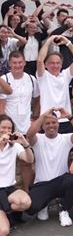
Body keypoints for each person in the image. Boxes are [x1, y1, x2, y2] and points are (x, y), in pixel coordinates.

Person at [26, 108, 73, 226]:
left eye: (54, 122)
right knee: (31, 208)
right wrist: (42, 116)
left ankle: (64, 210)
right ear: (42, 126)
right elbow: (29, 134)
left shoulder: (65, 139)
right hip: (42, 184)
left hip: (61, 182)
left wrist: (69, 116)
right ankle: (44, 205)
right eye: (47, 123)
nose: (51, 125)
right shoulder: (38, 139)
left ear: (58, 124)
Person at [0, 51, 40, 190]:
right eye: (14, 63)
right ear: (10, 64)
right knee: (8, 163)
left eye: (20, 62)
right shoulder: (4, 79)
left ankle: (26, 190)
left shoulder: (31, 79)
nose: (17, 65)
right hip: (9, 129)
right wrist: (4, 129)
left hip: (26, 128)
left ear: (24, 63)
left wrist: (35, 118)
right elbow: (1, 106)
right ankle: (9, 191)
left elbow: (37, 99)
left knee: (26, 163)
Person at [36, 35, 73, 133]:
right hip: (47, 120)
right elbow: (40, 59)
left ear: (61, 64)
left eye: (58, 63)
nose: (55, 65)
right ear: (46, 65)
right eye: (52, 63)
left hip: (65, 120)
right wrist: (49, 40)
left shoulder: (65, 75)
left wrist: (67, 42)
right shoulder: (43, 76)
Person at [0, 114, 33, 236]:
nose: (6, 131)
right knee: (3, 232)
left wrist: (25, 144)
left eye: (9, 129)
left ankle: (3, 211)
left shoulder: (14, 146)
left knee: (24, 202)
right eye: (3, 128)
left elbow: (29, 160)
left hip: (8, 189)